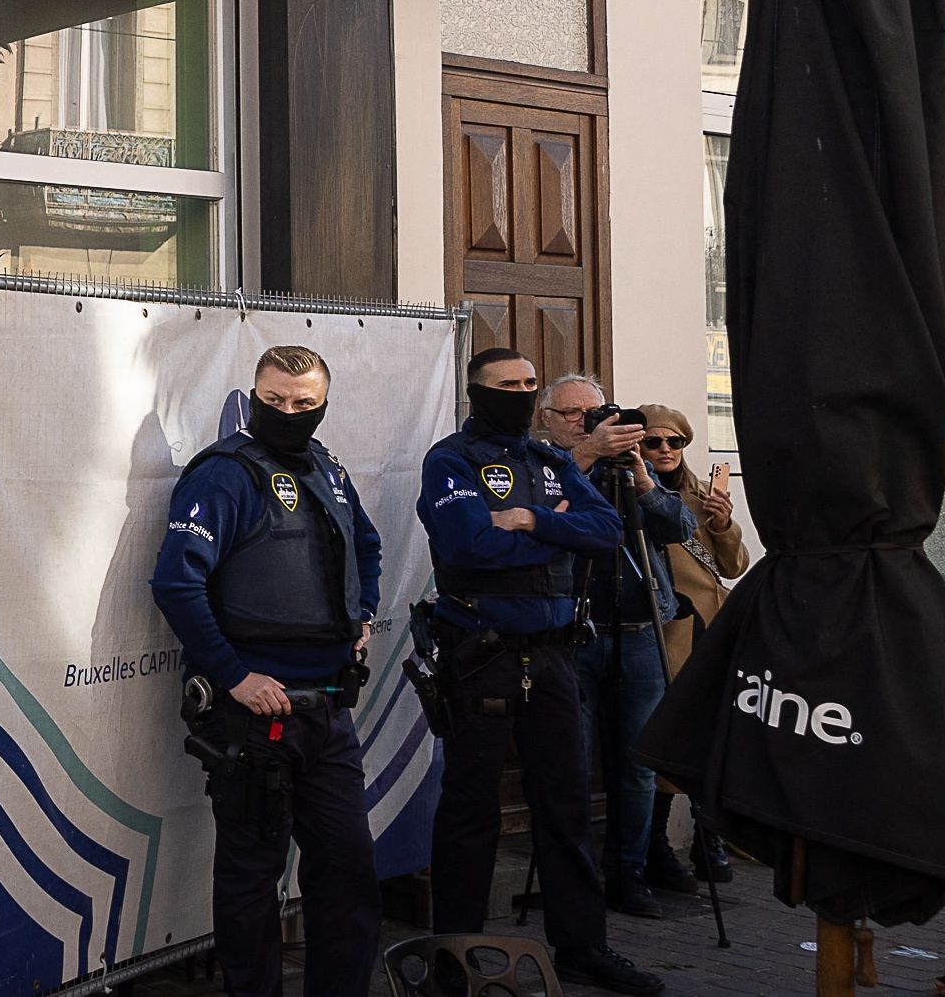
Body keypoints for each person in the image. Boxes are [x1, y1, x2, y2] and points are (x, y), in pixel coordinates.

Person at [418, 349, 663, 997]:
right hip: (481, 654)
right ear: (476, 391)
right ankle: (455, 957)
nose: (520, 393)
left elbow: (606, 528)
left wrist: (529, 518)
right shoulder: (451, 460)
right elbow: (467, 544)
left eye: (529, 384)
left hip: (553, 655)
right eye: (508, 386)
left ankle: (581, 946)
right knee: (470, 812)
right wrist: (558, 529)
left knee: (567, 808)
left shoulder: (550, 460)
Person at [151, 345, 384, 997]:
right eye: (274, 401)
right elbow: (176, 583)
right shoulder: (224, 476)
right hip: (254, 718)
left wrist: (360, 612)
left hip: (327, 712)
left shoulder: (326, 470)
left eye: (302, 404)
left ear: (322, 405)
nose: (287, 412)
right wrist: (234, 676)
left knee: (346, 870)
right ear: (254, 398)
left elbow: (363, 545)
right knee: (251, 879)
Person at [533, 374, 694, 919]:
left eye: (596, 413)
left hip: (640, 634)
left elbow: (679, 526)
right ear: (546, 419)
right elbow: (537, 514)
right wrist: (584, 456)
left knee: (637, 765)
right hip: (572, 636)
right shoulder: (540, 464)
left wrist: (642, 472)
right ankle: (573, 876)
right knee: (571, 763)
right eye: (573, 414)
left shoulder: (627, 469)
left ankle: (628, 871)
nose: (587, 422)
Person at [640, 402, 748, 887]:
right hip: (663, 630)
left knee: (713, 730)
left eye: (674, 442)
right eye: (653, 442)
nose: (664, 451)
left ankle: (708, 837)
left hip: (710, 625)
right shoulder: (629, 490)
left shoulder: (704, 494)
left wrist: (723, 524)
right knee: (666, 730)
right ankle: (655, 841)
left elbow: (734, 566)